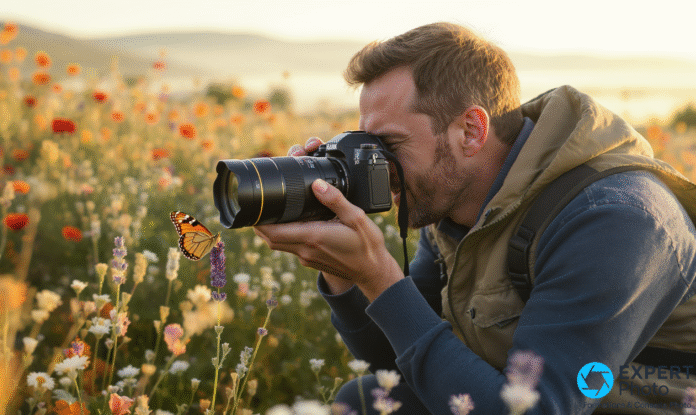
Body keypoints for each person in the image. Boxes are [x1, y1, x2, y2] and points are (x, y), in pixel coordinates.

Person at [253, 22, 696, 414]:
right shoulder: (460, 204)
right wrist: (343, 273)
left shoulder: (613, 221)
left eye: (390, 145)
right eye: (368, 145)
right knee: (371, 399)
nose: (378, 165)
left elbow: (534, 410)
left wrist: (381, 278)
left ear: (471, 131)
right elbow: (397, 365)